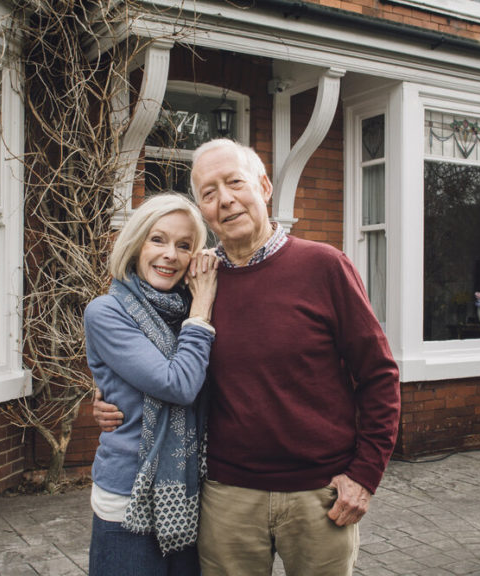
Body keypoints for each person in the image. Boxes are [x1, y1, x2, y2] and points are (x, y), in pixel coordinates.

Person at [95, 139, 401, 576]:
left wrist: (365, 475)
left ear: (264, 186)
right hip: (225, 497)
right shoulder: (194, 283)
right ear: (202, 208)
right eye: (208, 192)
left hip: (319, 496)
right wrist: (108, 399)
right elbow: (156, 357)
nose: (225, 199)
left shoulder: (325, 267)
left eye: (234, 182)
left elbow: (379, 375)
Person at [84, 192, 218, 576]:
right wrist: (201, 313)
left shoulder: (187, 309)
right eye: (157, 239)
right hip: (128, 498)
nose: (170, 255)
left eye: (184, 245)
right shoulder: (106, 311)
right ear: (135, 243)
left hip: (190, 497)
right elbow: (177, 384)